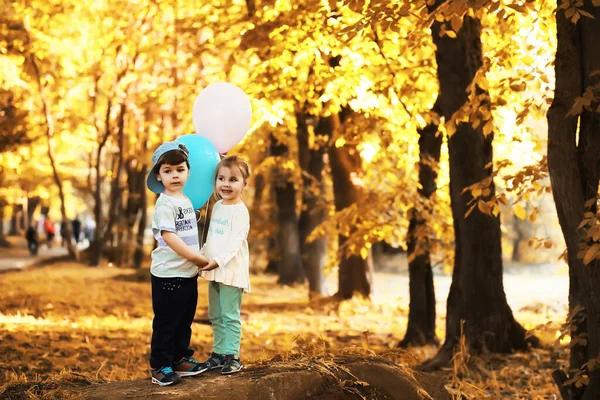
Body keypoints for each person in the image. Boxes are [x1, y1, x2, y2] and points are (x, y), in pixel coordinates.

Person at [146, 141, 210, 386]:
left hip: (187, 273)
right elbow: (168, 235)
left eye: (180, 170)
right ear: (159, 176)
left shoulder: (185, 200)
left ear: (188, 172)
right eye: (168, 171)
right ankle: (160, 365)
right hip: (168, 274)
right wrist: (194, 257)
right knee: (166, 320)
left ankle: (179, 358)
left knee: (185, 318)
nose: (175, 175)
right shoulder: (165, 203)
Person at [198, 155, 251, 375]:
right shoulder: (218, 205)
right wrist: (201, 256)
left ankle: (233, 356)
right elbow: (212, 238)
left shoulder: (240, 212)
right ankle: (219, 354)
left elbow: (233, 244)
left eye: (233, 179)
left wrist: (216, 262)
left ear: (244, 184)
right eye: (221, 178)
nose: (226, 184)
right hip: (213, 270)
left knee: (229, 315)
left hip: (230, 272)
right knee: (215, 315)